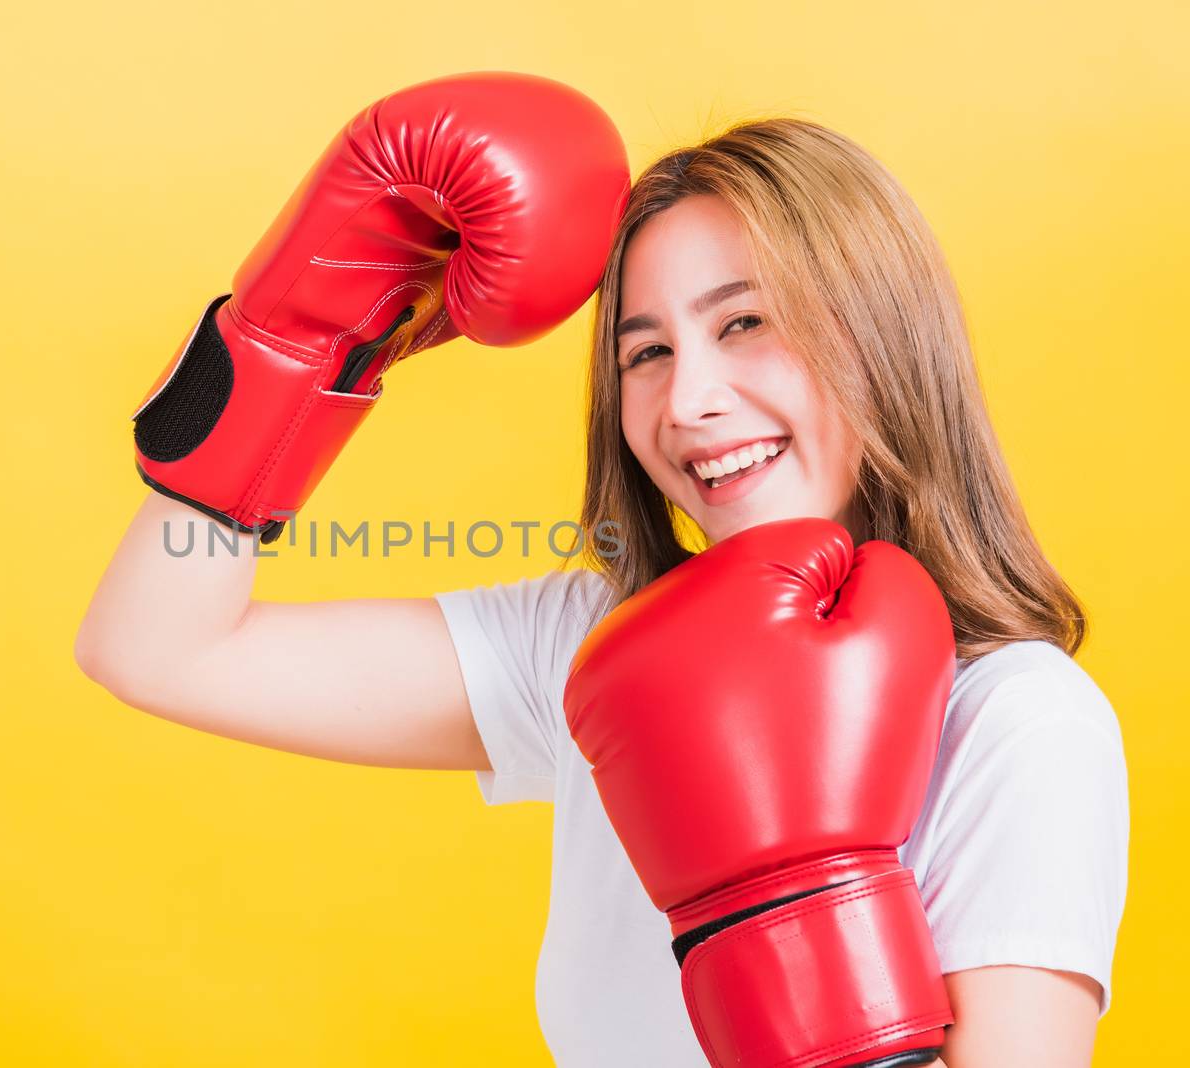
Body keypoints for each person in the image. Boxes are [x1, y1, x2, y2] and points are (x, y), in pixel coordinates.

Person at [75, 99, 1128, 1065]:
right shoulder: (596, 646)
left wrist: (790, 903)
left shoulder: (1017, 721)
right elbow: (159, 650)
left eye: (744, 323)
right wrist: (303, 346)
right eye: (645, 353)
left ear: (884, 339)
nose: (689, 401)